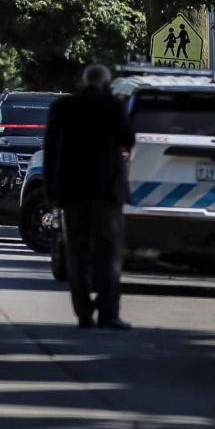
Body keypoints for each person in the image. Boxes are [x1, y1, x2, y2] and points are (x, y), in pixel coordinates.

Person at [44, 64, 135, 330]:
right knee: (109, 255)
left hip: (72, 191)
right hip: (106, 192)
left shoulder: (63, 108)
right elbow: (128, 139)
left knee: (77, 253)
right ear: (106, 83)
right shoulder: (113, 106)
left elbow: (50, 150)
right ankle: (108, 313)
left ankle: (83, 312)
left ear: (84, 81)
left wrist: (52, 191)